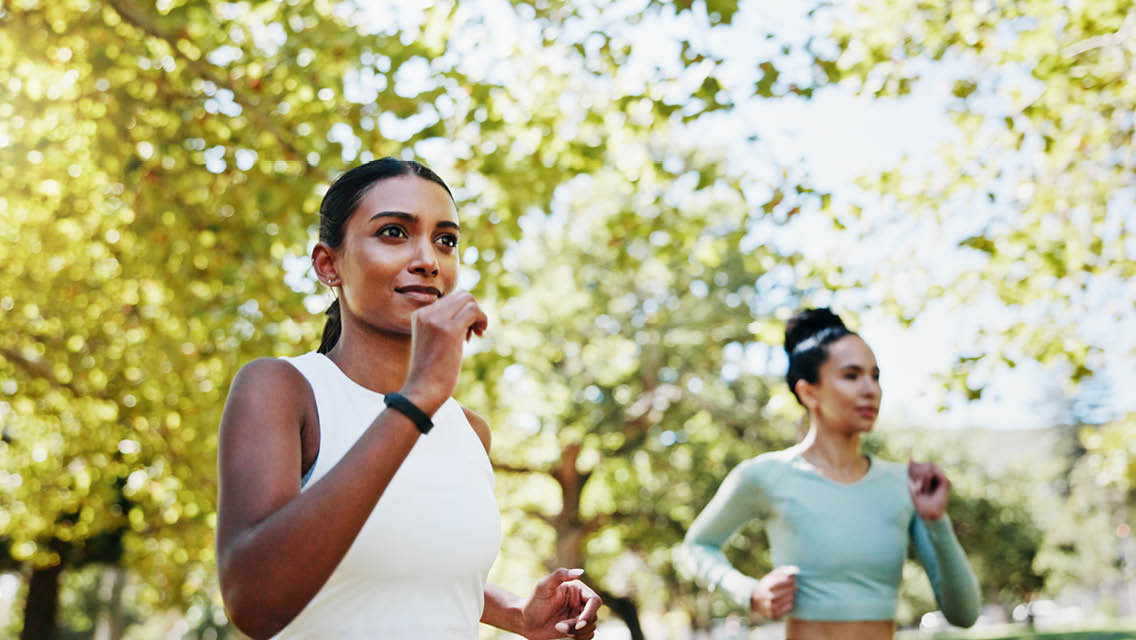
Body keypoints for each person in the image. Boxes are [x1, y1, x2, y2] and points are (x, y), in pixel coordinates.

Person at [216, 158, 602, 639]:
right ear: (327, 264)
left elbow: (401, 568)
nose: (429, 259)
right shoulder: (283, 389)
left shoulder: (469, 430)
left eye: (446, 240)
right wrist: (416, 400)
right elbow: (254, 602)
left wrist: (518, 614)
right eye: (395, 232)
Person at [679, 308, 980, 639]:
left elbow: (963, 614)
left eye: (875, 376)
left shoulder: (905, 485)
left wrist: (937, 522)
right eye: (851, 376)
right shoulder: (765, 475)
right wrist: (750, 593)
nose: (870, 389)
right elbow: (698, 545)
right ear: (809, 392)